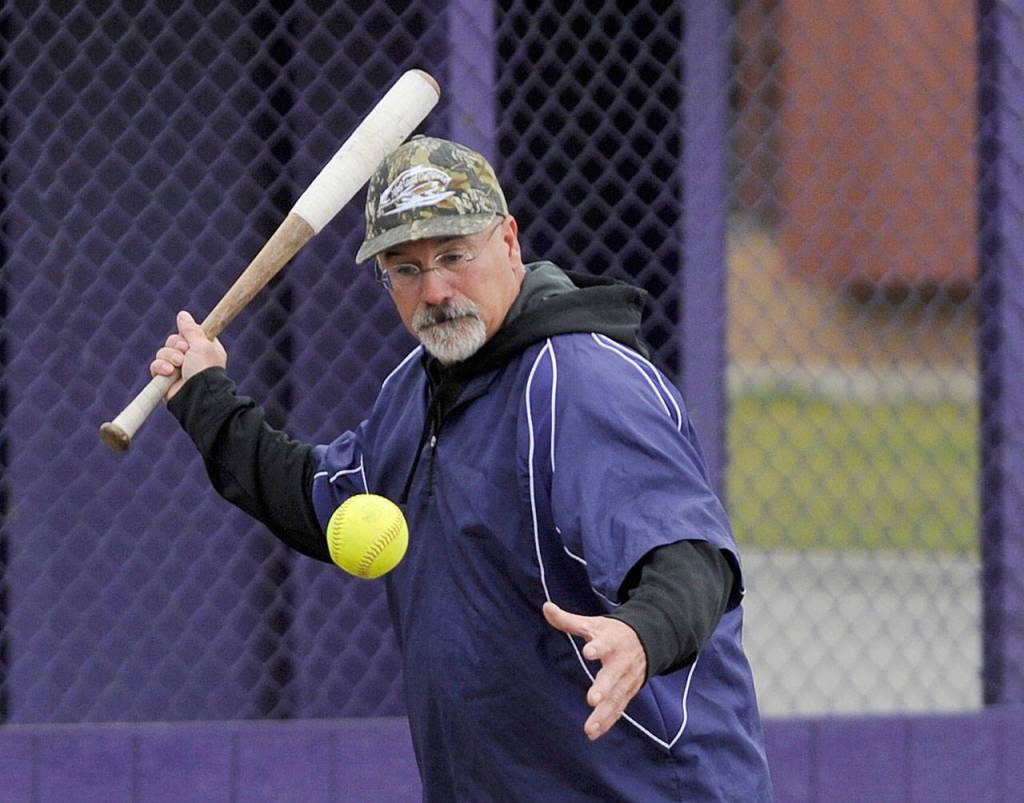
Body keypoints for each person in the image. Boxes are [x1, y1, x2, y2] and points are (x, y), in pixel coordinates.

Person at [153, 136, 773, 801]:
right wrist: (207, 397)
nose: (436, 290)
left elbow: (692, 559)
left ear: (508, 241)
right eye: (406, 267)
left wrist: (641, 634)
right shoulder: (415, 391)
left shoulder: (582, 384)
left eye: (453, 255)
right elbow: (320, 499)